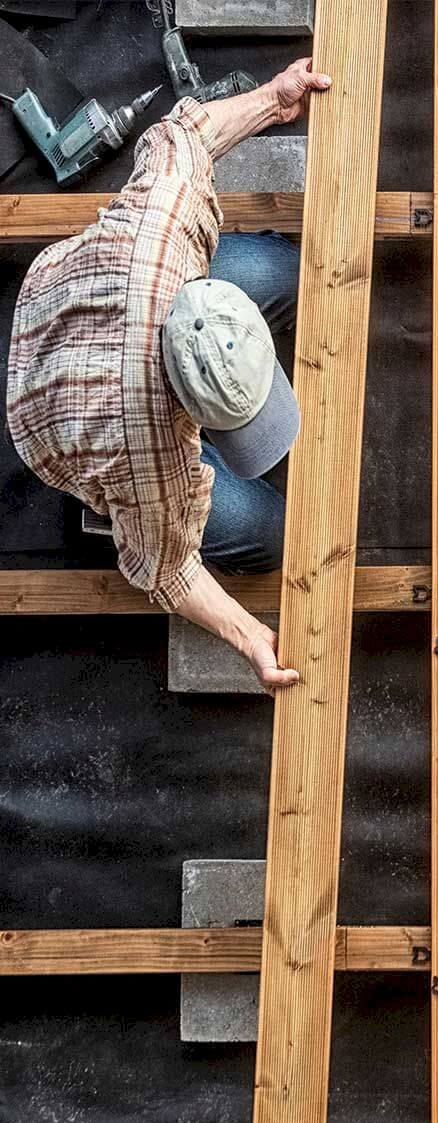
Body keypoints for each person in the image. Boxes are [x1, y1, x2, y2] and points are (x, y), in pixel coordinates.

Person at [6, 58, 332, 694]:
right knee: (266, 535)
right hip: (48, 415)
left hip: (74, 293)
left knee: (289, 275)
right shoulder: (150, 459)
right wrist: (249, 636)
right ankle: (105, 513)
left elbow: (186, 132)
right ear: (186, 413)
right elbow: (168, 573)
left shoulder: (168, 223)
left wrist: (274, 97)